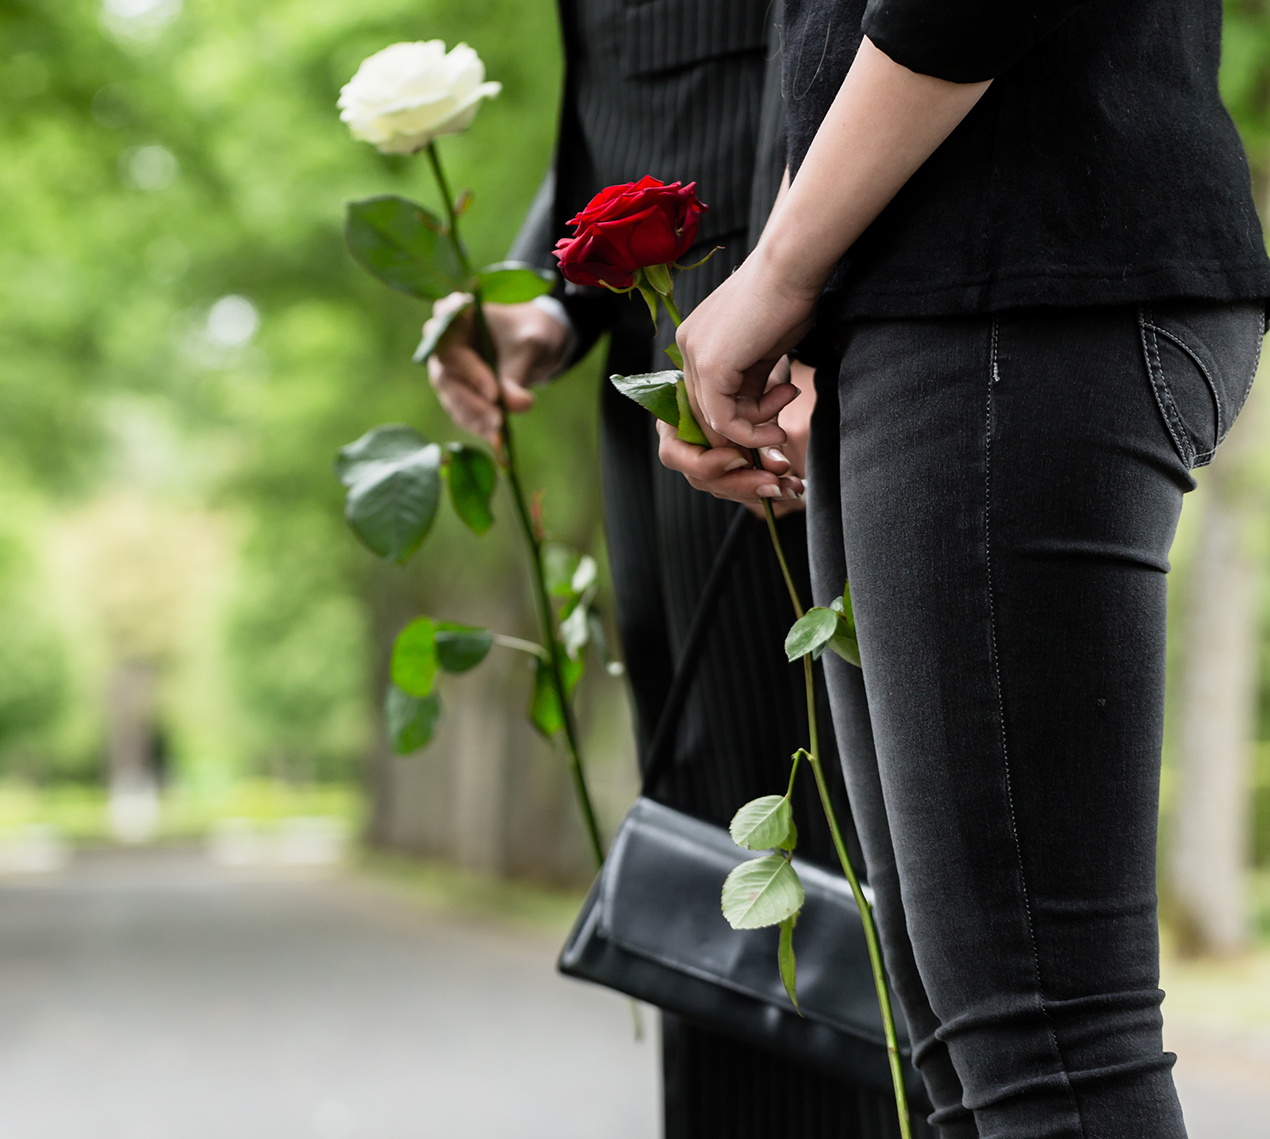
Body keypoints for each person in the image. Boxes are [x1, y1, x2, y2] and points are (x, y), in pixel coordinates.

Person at [661, 3, 1270, 1137]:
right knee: (964, 1048)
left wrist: (783, 267)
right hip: (936, 292)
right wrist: (796, 295)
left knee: (1041, 1045)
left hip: (1013, 272)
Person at [425, 3, 908, 1135]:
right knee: (718, 860)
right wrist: (551, 290)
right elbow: (631, 88)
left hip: (785, 358)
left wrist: (804, 293)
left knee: (833, 877)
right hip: (671, 363)